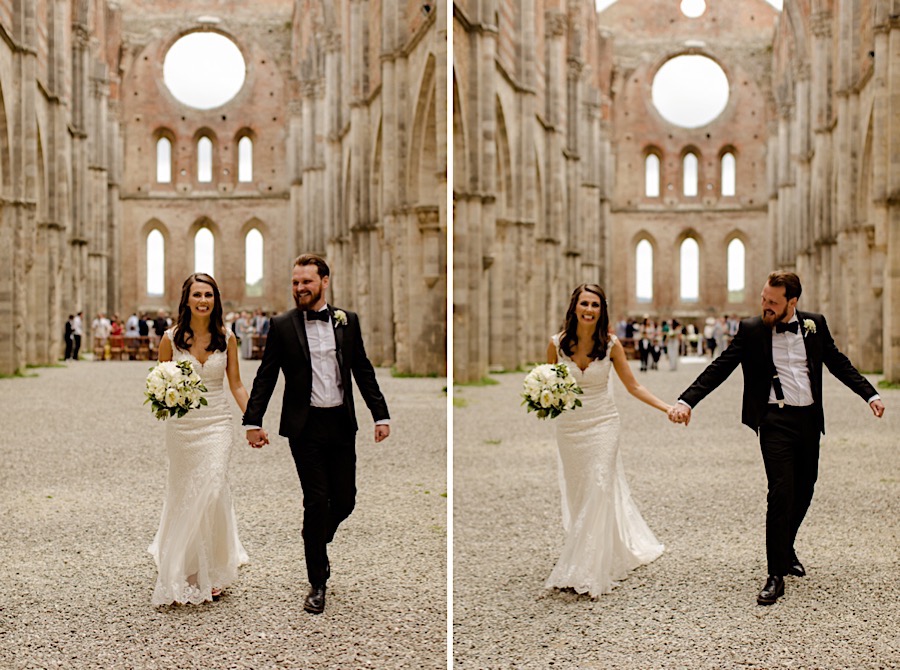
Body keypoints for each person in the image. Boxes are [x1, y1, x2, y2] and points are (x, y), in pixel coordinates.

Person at [668, 271, 885, 605]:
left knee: (805, 488)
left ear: (792, 302)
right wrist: (686, 400)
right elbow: (720, 366)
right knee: (780, 492)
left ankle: (786, 547)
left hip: (809, 419)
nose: (765, 306)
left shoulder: (814, 324)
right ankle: (774, 574)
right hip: (774, 420)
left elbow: (838, 363)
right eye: (763, 299)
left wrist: (869, 395)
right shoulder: (752, 329)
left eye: (772, 302)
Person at [243, 253, 390, 615]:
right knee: (315, 499)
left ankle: (316, 536)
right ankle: (317, 581)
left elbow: (363, 370)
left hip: (341, 422)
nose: (300, 288)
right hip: (304, 427)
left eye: (306, 282)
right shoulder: (281, 325)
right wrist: (252, 420)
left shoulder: (347, 321)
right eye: (295, 282)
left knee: (345, 500)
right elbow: (267, 375)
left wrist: (380, 415)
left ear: (324, 281)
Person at [545, 283, 670, 597]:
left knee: (600, 483)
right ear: (574, 307)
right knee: (580, 491)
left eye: (595, 305)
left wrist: (667, 407)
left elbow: (634, 386)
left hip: (603, 423)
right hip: (570, 427)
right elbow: (548, 384)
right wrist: (542, 400)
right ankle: (593, 549)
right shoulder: (556, 345)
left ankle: (585, 567)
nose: (589, 310)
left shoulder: (611, 344)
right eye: (584, 303)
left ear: (602, 311)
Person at [148, 273, 251, 606]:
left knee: (213, 488)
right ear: (187, 299)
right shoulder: (171, 339)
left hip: (217, 423)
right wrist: (167, 398)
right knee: (185, 492)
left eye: (208, 294)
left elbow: (235, 383)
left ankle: (215, 566)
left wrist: (253, 420)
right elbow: (159, 379)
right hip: (183, 427)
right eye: (197, 295)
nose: (203, 300)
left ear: (215, 299)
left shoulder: (227, 337)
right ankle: (191, 570)